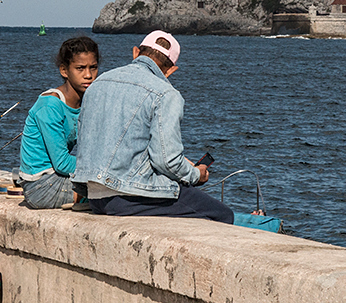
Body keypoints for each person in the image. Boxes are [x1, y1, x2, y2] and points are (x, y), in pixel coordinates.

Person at [72, 30, 233, 223]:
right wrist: (196, 174)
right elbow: (167, 162)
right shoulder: (166, 93)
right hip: (130, 196)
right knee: (223, 215)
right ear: (171, 70)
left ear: (135, 53)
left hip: (95, 196)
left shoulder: (98, 84)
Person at [18, 36, 99, 209]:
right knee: (114, 194)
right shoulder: (50, 106)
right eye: (80, 68)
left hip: (61, 178)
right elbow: (62, 163)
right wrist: (100, 167)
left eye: (93, 67)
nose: (88, 75)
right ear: (64, 70)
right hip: (41, 186)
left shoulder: (86, 102)